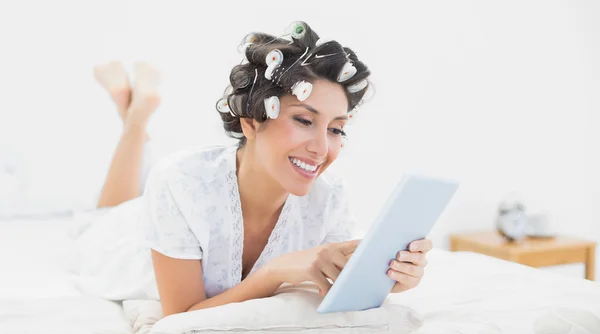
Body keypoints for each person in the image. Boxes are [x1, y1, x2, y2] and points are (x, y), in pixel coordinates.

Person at [74, 21, 432, 318]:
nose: (322, 148)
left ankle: (133, 113)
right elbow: (180, 319)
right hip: (128, 241)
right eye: (305, 120)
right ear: (250, 123)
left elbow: (337, 280)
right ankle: (135, 120)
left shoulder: (330, 196)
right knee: (106, 216)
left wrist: (390, 276)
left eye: (336, 129)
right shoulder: (181, 181)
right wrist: (273, 274)